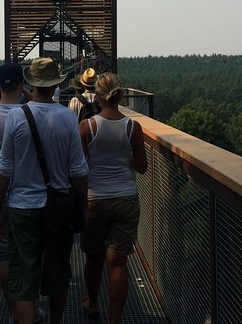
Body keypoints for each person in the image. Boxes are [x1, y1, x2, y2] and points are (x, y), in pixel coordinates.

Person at [0, 57, 89, 324]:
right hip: (58, 209)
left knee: (24, 282)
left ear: (30, 83)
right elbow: (78, 171)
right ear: (57, 83)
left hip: (22, 209)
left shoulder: (16, 117)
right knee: (58, 275)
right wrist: (83, 207)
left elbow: (4, 170)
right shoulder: (68, 117)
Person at [0, 63, 43, 324]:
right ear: (20, 85)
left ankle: (13, 310)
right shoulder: (32, 114)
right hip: (28, 194)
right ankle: (30, 309)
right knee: (28, 256)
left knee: (3, 253)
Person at [78, 72, 148, 323]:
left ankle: (93, 301)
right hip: (126, 198)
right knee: (118, 263)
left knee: (94, 255)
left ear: (98, 95)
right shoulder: (133, 127)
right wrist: (126, 157)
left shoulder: (87, 126)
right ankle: (115, 318)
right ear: (119, 94)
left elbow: (78, 168)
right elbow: (142, 167)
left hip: (95, 198)